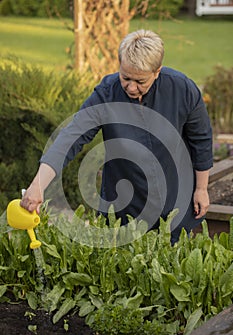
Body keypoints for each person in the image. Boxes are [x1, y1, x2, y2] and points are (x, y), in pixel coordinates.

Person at [20, 29, 213, 244]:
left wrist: (201, 188)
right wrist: (38, 185)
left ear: (157, 71)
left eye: (140, 81)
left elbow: (201, 139)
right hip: (125, 203)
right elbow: (70, 137)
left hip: (177, 198)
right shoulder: (106, 94)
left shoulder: (183, 89)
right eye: (125, 77)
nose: (131, 87)